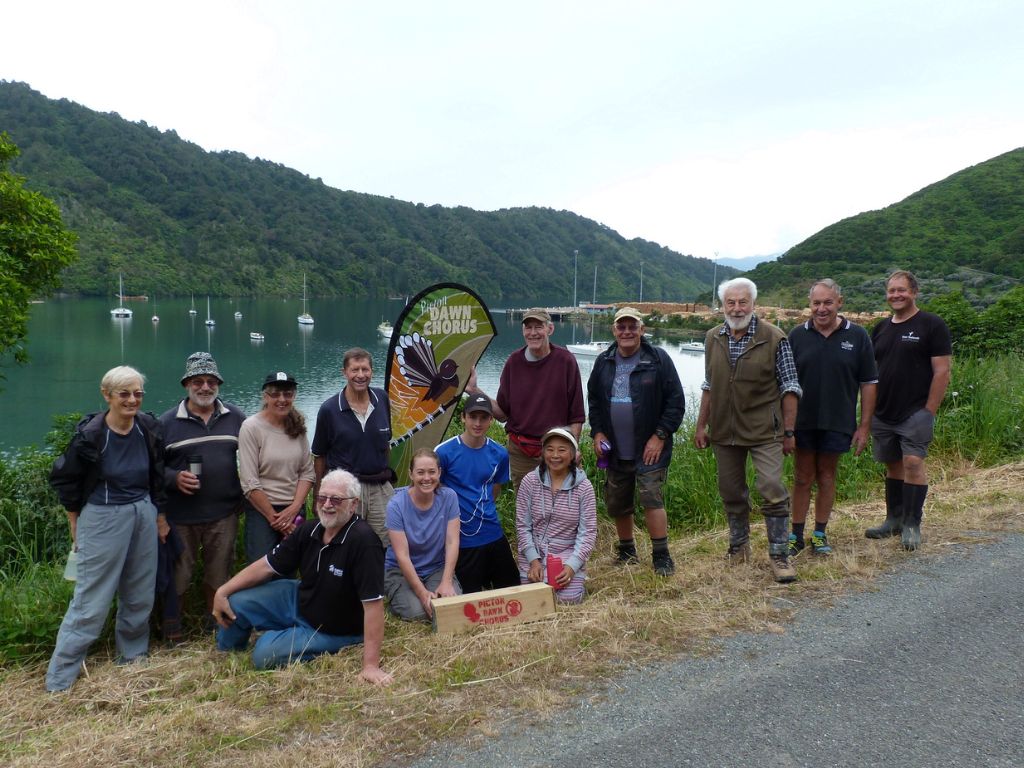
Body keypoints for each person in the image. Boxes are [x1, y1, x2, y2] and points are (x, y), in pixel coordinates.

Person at [46, 366, 169, 692]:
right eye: (124, 394)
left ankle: (133, 658)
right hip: (102, 516)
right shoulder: (91, 436)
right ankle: (60, 679)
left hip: (142, 511)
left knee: (140, 593)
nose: (132, 400)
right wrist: (75, 520)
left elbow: (157, 474)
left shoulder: (147, 428)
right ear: (107, 395)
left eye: (137, 393)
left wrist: (158, 514)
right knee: (91, 601)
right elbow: (64, 479)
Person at [213, 469, 392, 683]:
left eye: (336, 500)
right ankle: (227, 652)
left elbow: (374, 605)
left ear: (353, 504)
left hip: (335, 627)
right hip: (302, 598)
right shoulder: (309, 529)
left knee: (263, 655)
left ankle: (294, 638)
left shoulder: (364, 542)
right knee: (235, 600)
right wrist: (222, 591)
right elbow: (266, 566)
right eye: (322, 497)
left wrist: (370, 666)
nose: (327, 505)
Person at [694, 277, 802, 583]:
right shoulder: (712, 337)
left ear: (753, 304)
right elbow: (709, 385)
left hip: (764, 429)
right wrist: (702, 425)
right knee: (730, 491)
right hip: (724, 430)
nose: (737, 308)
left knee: (771, 486)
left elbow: (790, 386)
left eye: (743, 302)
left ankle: (780, 554)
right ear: (723, 305)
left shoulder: (774, 338)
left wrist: (789, 432)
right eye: (731, 302)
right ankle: (739, 546)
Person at [587, 307, 685, 576]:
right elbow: (593, 401)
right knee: (618, 501)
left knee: (651, 497)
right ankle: (627, 550)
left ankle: (661, 555)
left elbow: (676, 402)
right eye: (622, 327)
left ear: (642, 330)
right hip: (615, 448)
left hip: (649, 448)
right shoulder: (603, 361)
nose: (627, 331)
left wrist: (660, 435)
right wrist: (597, 432)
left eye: (633, 327)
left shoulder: (658, 359)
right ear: (614, 330)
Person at [159, 352, 246, 637]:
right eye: (198, 381)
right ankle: (172, 625)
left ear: (218, 383)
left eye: (210, 381)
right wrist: (173, 478)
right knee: (179, 573)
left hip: (224, 513)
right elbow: (150, 470)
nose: (205, 387)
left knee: (219, 571)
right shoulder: (166, 423)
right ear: (187, 384)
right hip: (180, 516)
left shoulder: (235, 417)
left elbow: (253, 457)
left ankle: (215, 622)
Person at [788, 280, 878, 556]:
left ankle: (819, 534)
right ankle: (795, 535)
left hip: (838, 421)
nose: (821, 308)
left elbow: (869, 382)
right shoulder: (796, 335)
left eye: (828, 302)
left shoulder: (858, 336)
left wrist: (864, 426)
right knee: (802, 477)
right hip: (803, 422)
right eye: (816, 303)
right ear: (810, 304)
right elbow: (785, 383)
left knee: (827, 476)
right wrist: (785, 427)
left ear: (840, 302)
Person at [865, 270, 952, 550]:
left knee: (913, 463)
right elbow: (872, 371)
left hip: (916, 410)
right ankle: (894, 519)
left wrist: (929, 410)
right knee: (893, 465)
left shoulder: (931, 324)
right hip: (883, 410)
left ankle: (913, 524)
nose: (896, 295)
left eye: (902, 290)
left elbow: (942, 371)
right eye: (891, 291)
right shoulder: (880, 328)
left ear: (914, 292)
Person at [466, 309, 585, 492]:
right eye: (528, 327)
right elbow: (503, 414)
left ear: (550, 329)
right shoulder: (514, 362)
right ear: (523, 331)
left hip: (558, 450)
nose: (533, 332)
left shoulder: (566, 361)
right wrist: (474, 391)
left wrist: (573, 448)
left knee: (564, 505)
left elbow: (576, 415)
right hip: (521, 452)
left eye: (539, 327)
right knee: (525, 507)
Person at [435, 393, 520, 593]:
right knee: (470, 596)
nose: (478, 423)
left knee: (512, 590)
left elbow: (495, 490)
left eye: (483, 418)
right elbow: (433, 490)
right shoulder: (444, 452)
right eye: (473, 417)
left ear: (491, 420)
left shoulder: (499, 453)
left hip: (492, 532)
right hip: (460, 538)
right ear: (463, 417)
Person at [312, 348, 394, 546]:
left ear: (372, 371)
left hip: (379, 489)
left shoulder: (382, 399)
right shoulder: (329, 409)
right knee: (344, 544)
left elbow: (386, 445)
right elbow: (319, 456)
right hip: (344, 490)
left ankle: (378, 578)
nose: (360, 375)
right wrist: (319, 497)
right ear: (344, 372)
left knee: (384, 543)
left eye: (365, 369)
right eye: (354, 370)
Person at [238, 371, 315, 563]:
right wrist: (277, 520)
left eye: (287, 394)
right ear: (265, 396)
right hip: (262, 512)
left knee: (289, 567)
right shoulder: (251, 427)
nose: (282, 399)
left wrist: (295, 507)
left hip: (293, 510)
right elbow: (249, 481)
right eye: (275, 394)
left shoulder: (297, 427)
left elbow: (307, 471)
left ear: (294, 396)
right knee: (260, 568)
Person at [516, 427, 597, 604]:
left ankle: (577, 584)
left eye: (562, 450)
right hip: (534, 551)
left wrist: (572, 566)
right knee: (532, 600)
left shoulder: (584, 487)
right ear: (543, 452)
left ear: (573, 454)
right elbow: (523, 526)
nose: (555, 455)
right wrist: (533, 561)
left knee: (567, 600)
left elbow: (588, 532)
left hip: (565, 552)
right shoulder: (530, 481)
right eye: (550, 449)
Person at [384, 449, 462, 621]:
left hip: (436, 567)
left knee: (447, 606)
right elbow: (402, 556)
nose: (427, 478)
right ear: (410, 474)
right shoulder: (396, 505)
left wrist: (447, 582)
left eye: (432, 472)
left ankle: (439, 588)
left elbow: (452, 541)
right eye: (420, 472)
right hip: (400, 570)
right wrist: (422, 593)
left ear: (439, 473)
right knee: (419, 612)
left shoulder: (449, 497)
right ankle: (396, 597)